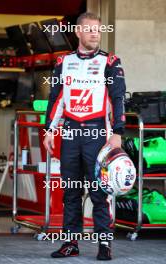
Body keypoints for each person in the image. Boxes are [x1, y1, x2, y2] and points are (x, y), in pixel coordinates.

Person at [43, 12, 126, 261]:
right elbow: (56, 99)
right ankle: (70, 243)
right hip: (70, 133)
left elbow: (118, 98)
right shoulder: (62, 62)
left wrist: (118, 132)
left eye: (98, 30)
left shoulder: (110, 62)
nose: (94, 34)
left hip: (98, 133)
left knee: (100, 192)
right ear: (78, 32)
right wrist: (49, 129)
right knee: (71, 192)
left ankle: (104, 244)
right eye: (89, 29)